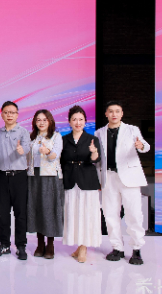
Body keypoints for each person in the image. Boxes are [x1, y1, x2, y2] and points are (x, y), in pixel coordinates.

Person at [95, 101, 150, 265]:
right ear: (106, 114)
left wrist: (141, 145)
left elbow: (145, 146)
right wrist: (98, 179)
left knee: (134, 214)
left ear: (122, 113)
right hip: (108, 177)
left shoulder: (132, 130)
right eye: (111, 111)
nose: (114, 114)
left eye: (117, 111)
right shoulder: (99, 133)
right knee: (110, 214)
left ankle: (136, 249)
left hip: (129, 177)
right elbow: (98, 158)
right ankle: (117, 248)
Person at [61, 105, 102, 263]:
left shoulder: (92, 139)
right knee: (73, 214)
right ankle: (78, 245)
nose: (78, 122)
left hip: (87, 180)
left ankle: (83, 248)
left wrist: (94, 152)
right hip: (70, 180)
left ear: (85, 121)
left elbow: (96, 159)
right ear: (69, 122)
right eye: (74, 119)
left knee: (86, 214)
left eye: (81, 119)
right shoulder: (64, 140)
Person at [0, 101, 31, 260]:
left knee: (20, 213)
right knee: (3, 213)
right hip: (1, 176)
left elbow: (27, 147)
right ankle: (4, 244)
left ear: (17, 115)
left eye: (12, 112)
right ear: (2, 115)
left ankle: (21, 246)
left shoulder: (23, 132)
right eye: (6, 112)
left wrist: (22, 149)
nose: (9, 115)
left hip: (19, 176)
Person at [26, 109, 64, 259]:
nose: (41, 122)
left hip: (50, 177)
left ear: (50, 121)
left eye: (44, 120)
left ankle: (50, 244)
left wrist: (48, 151)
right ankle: (40, 243)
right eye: (38, 120)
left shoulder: (56, 136)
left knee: (49, 209)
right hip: (34, 176)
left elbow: (55, 155)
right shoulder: (32, 137)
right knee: (36, 209)